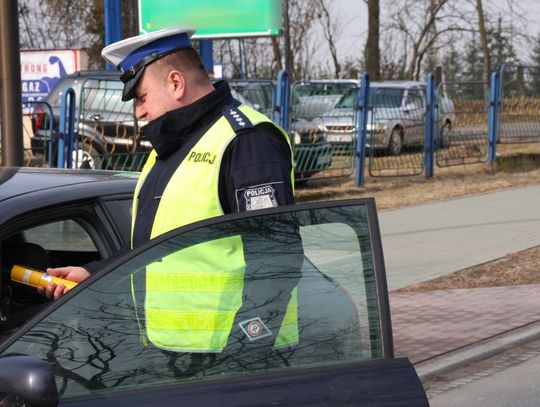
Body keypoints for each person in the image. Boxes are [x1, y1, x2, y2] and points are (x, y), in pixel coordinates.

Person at [38, 28, 303, 365]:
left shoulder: (246, 141)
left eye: (141, 97)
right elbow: (152, 251)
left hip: (238, 360)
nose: (138, 112)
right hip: (175, 356)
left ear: (176, 83)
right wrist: (95, 273)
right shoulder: (168, 150)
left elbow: (277, 259)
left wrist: (244, 351)